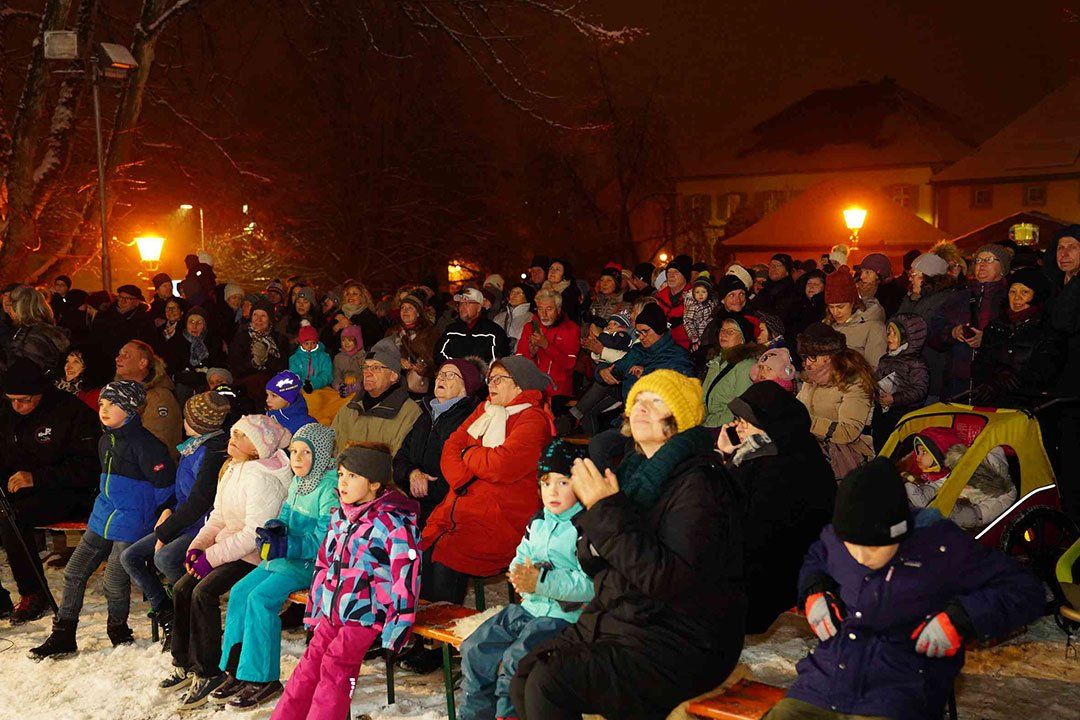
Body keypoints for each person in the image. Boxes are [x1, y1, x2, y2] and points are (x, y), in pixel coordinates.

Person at [510, 370, 746, 720]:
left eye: (655, 402)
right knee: (525, 674)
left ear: (679, 417)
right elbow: (601, 564)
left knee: (551, 682)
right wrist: (592, 532)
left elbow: (666, 580)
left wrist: (604, 511)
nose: (641, 408)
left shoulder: (701, 484)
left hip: (683, 638)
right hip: (625, 617)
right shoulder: (635, 472)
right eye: (637, 401)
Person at [765, 458, 1043, 720]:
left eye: (874, 548)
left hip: (900, 687)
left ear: (899, 533)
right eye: (852, 548)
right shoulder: (838, 537)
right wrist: (815, 590)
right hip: (826, 680)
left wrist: (962, 618)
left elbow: (1024, 589)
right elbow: (818, 557)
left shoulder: (941, 547)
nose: (861, 558)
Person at [270, 444, 421, 720]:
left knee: (335, 668)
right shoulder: (340, 515)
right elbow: (324, 564)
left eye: (352, 476)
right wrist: (316, 610)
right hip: (333, 610)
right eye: (340, 474)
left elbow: (406, 577)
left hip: (367, 614)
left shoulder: (393, 524)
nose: (343, 482)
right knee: (308, 666)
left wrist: (397, 628)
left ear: (374, 483)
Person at [30, 380, 176, 659]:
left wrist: (161, 516)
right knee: (74, 572)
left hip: (132, 521)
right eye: (102, 404)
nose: (104, 409)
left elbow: (165, 487)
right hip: (103, 515)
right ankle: (63, 634)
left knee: (114, 580)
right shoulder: (104, 440)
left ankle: (118, 630)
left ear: (132, 409)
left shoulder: (147, 446)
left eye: (114, 404)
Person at [459, 440, 595, 720]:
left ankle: (507, 715)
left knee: (516, 659)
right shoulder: (538, 522)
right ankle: (474, 715)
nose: (553, 492)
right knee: (476, 648)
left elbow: (590, 584)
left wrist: (542, 580)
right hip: (528, 609)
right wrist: (520, 573)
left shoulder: (586, 527)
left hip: (562, 618)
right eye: (546, 484)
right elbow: (520, 556)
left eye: (563, 483)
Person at [166, 414, 293, 710]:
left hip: (253, 555)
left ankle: (208, 670)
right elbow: (218, 517)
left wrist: (210, 559)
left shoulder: (262, 477)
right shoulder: (233, 469)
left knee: (203, 593)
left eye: (241, 436)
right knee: (182, 589)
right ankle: (184, 661)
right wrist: (198, 547)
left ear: (258, 445)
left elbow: (254, 534)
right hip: (227, 548)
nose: (232, 441)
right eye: (233, 434)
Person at [212, 423, 338, 709]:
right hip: (285, 558)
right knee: (241, 591)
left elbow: (324, 539)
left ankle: (262, 677)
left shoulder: (328, 488)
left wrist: (288, 544)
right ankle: (236, 667)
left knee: (261, 599)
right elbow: (285, 512)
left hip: (309, 564)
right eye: (293, 451)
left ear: (321, 455)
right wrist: (275, 527)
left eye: (306, 452)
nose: (297, 458)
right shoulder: (297, 480)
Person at [421, 356, 554, 604]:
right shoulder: (485, 409)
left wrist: (469, 454)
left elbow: (500, 465)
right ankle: (423, 632)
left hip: (501, 517)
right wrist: (466, 476)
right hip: (461, 506)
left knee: (446, 556)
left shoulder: (533, 419)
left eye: (499, 379)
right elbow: (451, 448)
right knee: (421, 550)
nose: (491, 384)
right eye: (490, 379)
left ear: (519, 386)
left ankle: (441, 629)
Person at [715, 382, 835, 633]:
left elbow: (756, 532)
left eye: (746, 420)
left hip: (774, 576)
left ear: (767, 422)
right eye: (737, 418)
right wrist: (724, 455)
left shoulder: (782, 465)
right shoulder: (762, 449)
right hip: (759, 560)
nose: (738, 426)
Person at [119, 390, 230, 646]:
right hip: (182, 518)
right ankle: (167, 611)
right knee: (131, 557)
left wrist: (165, 532)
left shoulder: (212, 452)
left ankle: (192, 619)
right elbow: (180, 492)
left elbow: (200, 501)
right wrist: (167, 509)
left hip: (201, 523)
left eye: (187, 417)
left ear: (198, 422)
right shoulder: (193, 446)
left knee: (166, 557)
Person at [0, 358, 101, 624]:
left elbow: (88, 467)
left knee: (12, 516)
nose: (17, 406)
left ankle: (34, 593)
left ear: (39, 393)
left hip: (70, 490)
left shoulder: (70, 413)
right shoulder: (9, 413)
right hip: (20, 485)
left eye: (23, 400)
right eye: (11, 400)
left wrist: (37, 478)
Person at [589, 303, 694, 470]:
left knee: (633, 450)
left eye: (646, 332)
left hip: (657, 425)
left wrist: (646, 376)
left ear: (659, 330)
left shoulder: (677, 356)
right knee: (598, 444)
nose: (642, 337)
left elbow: (675, 388)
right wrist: (601, 372)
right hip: (629, 421)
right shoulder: (638, 351)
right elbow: (616, 368)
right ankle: (609, 490)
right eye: (639, 332)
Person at [393, 358, 485, 526]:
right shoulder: (426, 415)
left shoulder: (472, 420)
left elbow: (466, 475)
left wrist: (425, 487)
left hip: (446, 512)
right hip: (411, 503)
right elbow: (401, 457)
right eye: (440, 374)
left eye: (450, 375)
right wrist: (412, 474)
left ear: (466, 385)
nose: (441, 379)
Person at [971, 266, 1061, 406]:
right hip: (993, 404)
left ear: (1036, 295)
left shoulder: (1047, 328)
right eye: (1012, 292)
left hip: (1029, 407)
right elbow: (979, 365)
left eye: (1025, 292)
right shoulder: (996, 326)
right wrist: (992, 380)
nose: (1017, 298)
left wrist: (1010, 379)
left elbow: (1045, 372)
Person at [797, 324, 876, 479]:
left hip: (848, 458)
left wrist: (806, 422)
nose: (807, 363)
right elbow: (799, 406)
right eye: (804, 357)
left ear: (830, 354)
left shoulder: (854, 382)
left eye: (813, 356)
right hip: (815, 450)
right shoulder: (812, 377)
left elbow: (849, 431)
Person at [932, 243, 1010, 399]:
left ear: (1003, 267)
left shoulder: (1010, 299)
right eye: (978, 260)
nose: (981, 265)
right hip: (956, 387)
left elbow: (1017, 342)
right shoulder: (959, 297)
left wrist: (987, 339)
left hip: (992, 389)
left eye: (988, 260)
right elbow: (933, 334)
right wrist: (952, 332)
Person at [901, 429, 1016, 531]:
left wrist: (973, 514)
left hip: (977, 510)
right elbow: (945, 482)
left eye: (924, 452)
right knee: (940, 487)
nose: (918, 457)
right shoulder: (958, 470)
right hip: (961, 498)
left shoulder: (1001, 488)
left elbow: (996, 504)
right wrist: (928, 490)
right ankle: (925, 496)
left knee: (960, 514)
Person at [331, 337, 421, 455]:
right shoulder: (349, 408)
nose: (367, 373)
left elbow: (399, 462)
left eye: (376, 368)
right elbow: (330, 448)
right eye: (366, 367)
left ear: (393, 376)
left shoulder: (410, 414)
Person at [1047, 227, 1080, 523]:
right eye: (1059, 248)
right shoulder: (1057, 286)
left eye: (1072, 247)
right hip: (1059, 393)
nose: (1064, 254)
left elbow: (1063, 326)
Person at [898, 252, 958, 402]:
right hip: (911, 373)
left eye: (915, 275)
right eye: (911, 275)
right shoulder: (913, 298)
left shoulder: (945, 300)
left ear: (930, 278)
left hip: (932, 372)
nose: (910, 279)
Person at [114, 340, 183, 458]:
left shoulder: (159, 397)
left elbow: (157, 444)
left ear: (142, 363)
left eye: (126, 355)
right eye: (119, 354)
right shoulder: (118, 392)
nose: (118, 358)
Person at [516, 289, 580, 414]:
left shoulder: (571, 329)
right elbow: (520, 362)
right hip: (531, 388)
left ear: (559, 309)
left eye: (549, 309)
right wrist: (532, 353)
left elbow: (569, 365)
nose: (544, 314)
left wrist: (546, 346)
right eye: (540, 309)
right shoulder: (530, 327)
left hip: (558, 390)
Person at [871, 313, 929, 449]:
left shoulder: (915, 363)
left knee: (897, 450)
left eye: (894, 334)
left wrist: (895, 399)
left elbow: (920, 390)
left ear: (906, 337)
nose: (889, 338)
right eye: (888, 333)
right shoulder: (885, 359)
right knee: (881, 446)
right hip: (882, 414)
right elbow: (876, 380)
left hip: (902, 417)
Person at [702, 312, 763, 428]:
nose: (723, 334)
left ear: (742, 339)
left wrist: (709, 425)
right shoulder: (716, 360)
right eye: (722, 330)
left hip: (726, 427)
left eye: (730, 331)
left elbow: (739, 410)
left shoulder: (746, 366)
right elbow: (703, 397)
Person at [823, 266, 886, 369]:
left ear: (853, 303)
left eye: (840, 307)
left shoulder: (873, 327)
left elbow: (875, 368)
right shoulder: (827, 326)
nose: (835, 312)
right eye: (831, 307)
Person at [2, 285, 71, 377]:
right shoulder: (41, 331)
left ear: (18, 308)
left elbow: (23, 373)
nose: (9, 309)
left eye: (11, 305)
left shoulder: (30, 337)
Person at [228, 299, 288, 401]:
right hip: (246, 386)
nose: (258, 320)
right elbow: (235, 367)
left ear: (270, 319)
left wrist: (266, 359)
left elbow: (283, 367)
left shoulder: (279, 339)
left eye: (263, 316)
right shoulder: (241, 337)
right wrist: (254, 363)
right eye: (255, 315)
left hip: (271, 385)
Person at [434, 287, 509, 366]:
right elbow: (439, 354)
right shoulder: (451, 330)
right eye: (461, 303)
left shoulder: (493, 332)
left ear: (479, 307)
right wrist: (456, 368)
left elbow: (498, 364)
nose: (462, 307)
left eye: (467, 303)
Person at [169, 306, 225, 404]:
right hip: (182, 384)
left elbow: (217, 365)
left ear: (205, 325)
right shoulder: (176, 342)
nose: (194, 326)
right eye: (191, 322)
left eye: (199, 323)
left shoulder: (213, 342)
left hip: (206, 383)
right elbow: (173, 370)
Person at [386, 293, 438, 395]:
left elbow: (434, 359)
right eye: (402, 308)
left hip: (420, 384)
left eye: (410, 308)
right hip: (396, 384)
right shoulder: (392, 332)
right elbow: (383, 355)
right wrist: (398, 361)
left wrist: (422, 368)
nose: (405, 311)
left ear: (418, 313)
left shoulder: (430, 332)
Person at [91, 283, 157, 362]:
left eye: (128, 299)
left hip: (133, 362)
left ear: (136, 302)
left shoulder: (144, 318)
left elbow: (148, 342)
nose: (123, 301)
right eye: (121, 297)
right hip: (106, 361)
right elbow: (95, 339)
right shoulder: (104, 315)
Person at [749, 253, 803, 330]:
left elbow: (784, 317)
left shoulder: (792, 292)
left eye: (777, 265)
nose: (773, 268)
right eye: (771, 265)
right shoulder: (764, 290)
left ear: (787, 271)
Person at [653, 254, 692, 349]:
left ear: (685, 276)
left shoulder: (695, 298)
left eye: (676, 272)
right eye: (668, 272)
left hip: (685, 349)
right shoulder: (658, 298)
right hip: (659, 347)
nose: (671, 276)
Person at [265, 370, 316, 435]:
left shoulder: (305, 425)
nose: (267, 400)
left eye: (274, 396)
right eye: (267, 394)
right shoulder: (271, 413)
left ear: (288, 399)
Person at [855, 253, 905, 318]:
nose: (861, 276)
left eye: (867, 272)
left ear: (879, 275)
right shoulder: (859, 291)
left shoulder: (892, 298)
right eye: (861, 272)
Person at [288, 325, 333, 392]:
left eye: (313, 343)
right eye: (306, 343)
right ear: (301, 343)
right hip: (301, 389)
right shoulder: (295, 358)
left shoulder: (324, 357)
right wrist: (303, 384)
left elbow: (327, 375)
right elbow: (295, 374)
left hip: (321, 389)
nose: (310, 346)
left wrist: (313, 384)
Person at [683, 272, 718, 353]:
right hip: (699, 336)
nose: (700, 295)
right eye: (697, 292)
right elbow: (688, 322)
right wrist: (694, 337)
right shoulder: (694, 306)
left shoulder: (712, 302)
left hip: (711, 334)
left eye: (703, 292)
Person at [494, 282, 536, 348]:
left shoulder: (531, 318)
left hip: (520, 356)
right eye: (512, 292)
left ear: (526, 298)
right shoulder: (499, 317)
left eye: (518, 293)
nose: (514, 295)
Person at [542, 258, 583, 324]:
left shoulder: (570, 293)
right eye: (551, 268)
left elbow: (569, 318)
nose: (552, 272)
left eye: (557, 269)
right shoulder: (542, 290)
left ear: (564, 274)